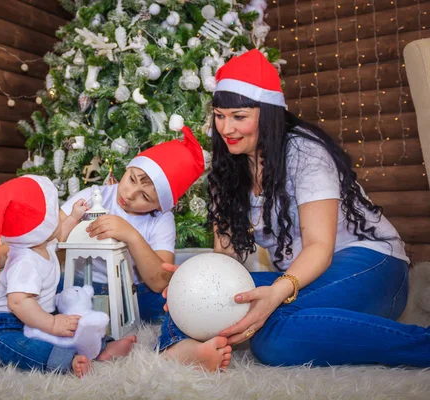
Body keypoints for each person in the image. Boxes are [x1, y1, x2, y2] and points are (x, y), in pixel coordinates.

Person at [158, 49, 429, 371]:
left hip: (371, 265)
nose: (226, 128)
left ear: (269, 114)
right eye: (219, 115)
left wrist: (275, 293)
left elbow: (319, 247)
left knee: (272, 338)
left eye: (239, 117)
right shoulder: (227, 170)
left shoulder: (304, 151)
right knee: (176, 296)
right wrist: (200, 282)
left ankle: (420, 346)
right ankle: (181, 348)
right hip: (301, 276)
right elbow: (225, 258)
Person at [0, 127, 205, 365]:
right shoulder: (96, 195)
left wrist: (131, 235)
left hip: (136, 294)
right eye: (132, 178)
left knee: (176, 303)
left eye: (145, 196)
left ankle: (159, 351)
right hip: (79, 281)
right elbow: (38, 235)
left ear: (159, 204)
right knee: (11, 291)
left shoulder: (160, 220)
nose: (130, 194)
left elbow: (159, 281)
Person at [0, 175, 132, 377]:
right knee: (21, 347)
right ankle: (67, 361)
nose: (60, 216)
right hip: (3, 326)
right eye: (55, 213)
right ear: (43, 226)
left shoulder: (42, 243)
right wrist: (51, 324)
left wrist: (75, 217)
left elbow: (59, 234)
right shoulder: (25, 262)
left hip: (36, 317)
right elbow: (18, 303)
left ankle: (101, 346)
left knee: (74, 323)